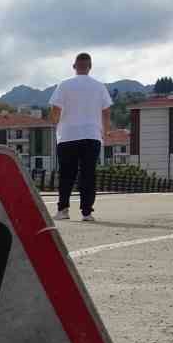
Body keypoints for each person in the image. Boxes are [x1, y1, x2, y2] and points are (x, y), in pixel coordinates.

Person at [48, 52, 113, 222]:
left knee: (66, 174)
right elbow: (106, 112)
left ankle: (63, 210)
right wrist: (105, 132)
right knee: (88, 174)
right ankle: (87, 213)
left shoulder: (64, 85)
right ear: (90, 67)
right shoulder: (99, 87)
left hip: (68, 135)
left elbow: (55, 109)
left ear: (74, 66)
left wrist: (55, 123)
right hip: (92, 135)